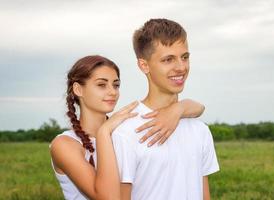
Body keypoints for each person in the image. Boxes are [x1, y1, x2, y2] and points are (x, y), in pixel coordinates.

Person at [50, 55, 206, 199]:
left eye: (116, 85)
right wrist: (104, 132)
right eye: (101, 85)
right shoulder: (64, 145)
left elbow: (199, 108)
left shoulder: (122, 133)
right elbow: (106, 197)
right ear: (78, 89)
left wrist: (180, 107)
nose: (112, 92)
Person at [112, 18, 220, 200]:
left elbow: (204, 195)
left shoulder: (200, 130)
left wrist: (179, 108)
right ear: (144, 65)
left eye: (185, 57)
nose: (181, 67)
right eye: (168, 59)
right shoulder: (126, 131)